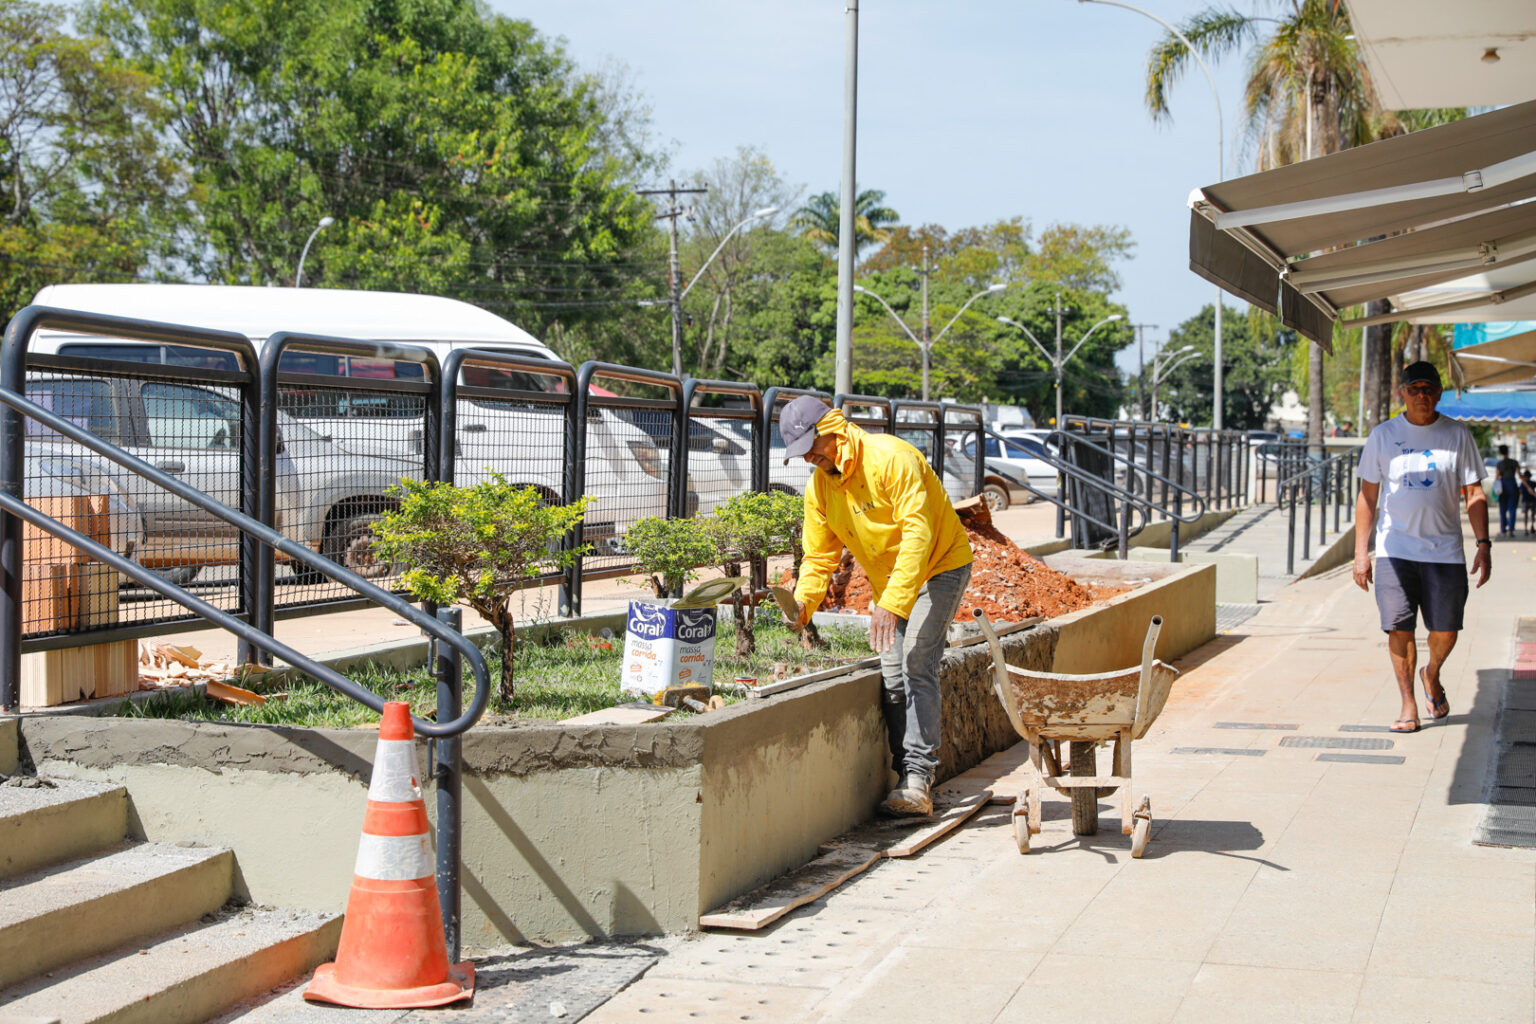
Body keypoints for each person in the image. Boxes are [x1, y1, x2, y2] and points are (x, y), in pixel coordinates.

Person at [780, 395, 974, 817]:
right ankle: (906, 776)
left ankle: (920, 777)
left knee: (916, 659)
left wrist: (893, 602)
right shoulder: (820, 487)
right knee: (891, 675)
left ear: (834, 428)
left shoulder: (892, 458)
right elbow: (818, 556)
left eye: (814, 447)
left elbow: (918, 536)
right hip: (894, 580)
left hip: (940, 565)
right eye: (803, 455)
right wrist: (803, 605)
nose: (812, 458)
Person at [1353, 361, 1491, 734]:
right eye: (1413, 389)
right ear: (1402, 393)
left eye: (1428, 389)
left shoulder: (1457, 435)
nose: (1421, 396)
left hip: (1445, 551)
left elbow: (1474, 493)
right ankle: (1408, 704)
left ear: (1439, 393)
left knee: (1446, 630)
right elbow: (1368, 496)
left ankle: (1432, 673)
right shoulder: (1383, 435)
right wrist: (1361, 553)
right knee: (1398, 627)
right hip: (1395, 550)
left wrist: (1483, 544)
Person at [1494, 444, 1521, 537]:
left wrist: (1495, 487)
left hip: (1503, 486)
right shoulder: (1514, 462)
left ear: (1500, 452)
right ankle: (1511, 530)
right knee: (1512, 509)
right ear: (1508, 452)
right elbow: (1519, 475)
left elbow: (1497, 477)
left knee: (1503, 509)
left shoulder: (1499, 464)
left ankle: (1503, 529)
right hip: (1512, 485)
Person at [1521, 469, 1536, 536]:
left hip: (1525, 501)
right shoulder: (1533, 483)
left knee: (1525, 516)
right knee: (1533, 515)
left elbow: (1520, 492)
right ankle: (1532, 526)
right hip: (1533, 501)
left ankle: (1525, 529)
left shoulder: (1522, 484)